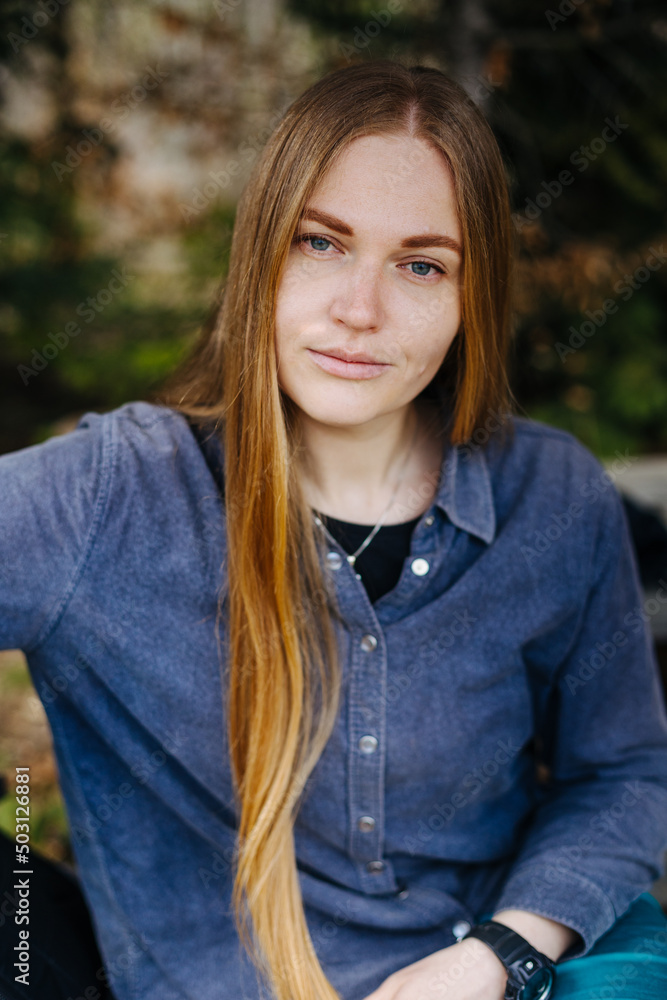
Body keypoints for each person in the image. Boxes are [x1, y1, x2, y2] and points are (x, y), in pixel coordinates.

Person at [1, 59, 667, 1000]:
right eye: (320, 243)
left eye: (421, 265)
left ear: (470, 300)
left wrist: (500, 955)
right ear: (260, 255)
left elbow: (623, 771)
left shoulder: (550, 493)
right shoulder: (111, 496)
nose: (360, 310)